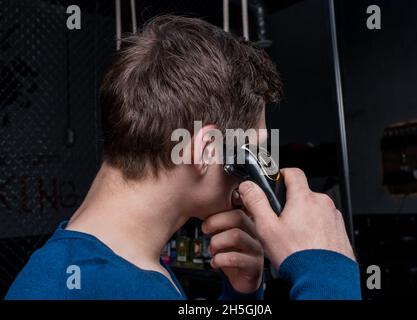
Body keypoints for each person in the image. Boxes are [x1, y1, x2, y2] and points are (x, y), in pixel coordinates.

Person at [5, 15, 360, 300]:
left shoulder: (110, 268)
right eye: (253, 149)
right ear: (207, 150)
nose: (253, 173)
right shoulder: (104, 287)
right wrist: (326, 272)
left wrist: (241, 297)